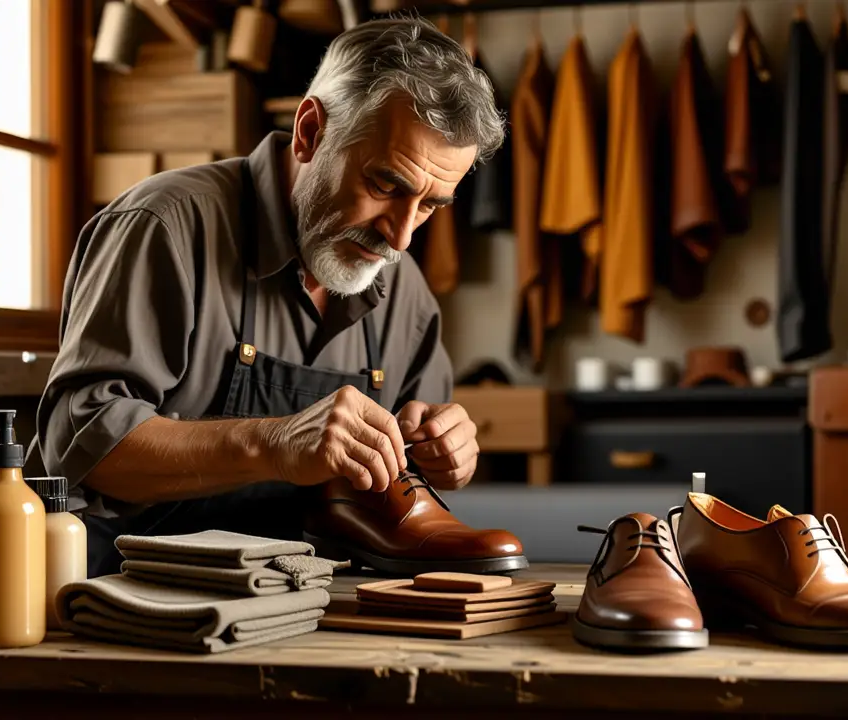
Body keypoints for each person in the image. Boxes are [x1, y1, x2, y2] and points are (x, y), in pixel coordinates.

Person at [35, 17, 528, 577]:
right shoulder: (165, 226)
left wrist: (442, 455)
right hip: (137, 601)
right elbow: (79, 444)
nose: (401, 237)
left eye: (431, 205)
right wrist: (274, 444)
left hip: (314, 605)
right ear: (311, 131)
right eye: (387, 185)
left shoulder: (404, 290)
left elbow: (404, 496)